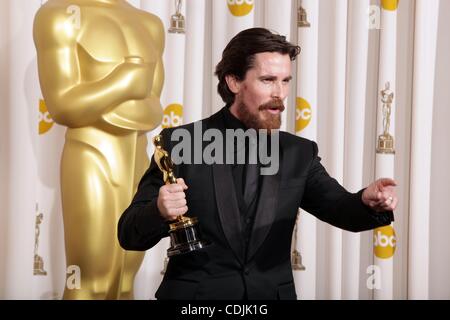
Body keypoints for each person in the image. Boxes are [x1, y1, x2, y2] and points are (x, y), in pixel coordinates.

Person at [118, 28, 397, 300]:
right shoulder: (180, 143)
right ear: (234, 82)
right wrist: (158, 211)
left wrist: (367, 202)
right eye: (268, 80)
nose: (280, 93)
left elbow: (339, 208)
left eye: (285, 81)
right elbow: (129, 234)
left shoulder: (298, 153)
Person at [33, 0, 164, 299]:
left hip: (137, 157)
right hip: (90, 152)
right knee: (91, 280)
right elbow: (64, 106)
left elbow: (153, 110)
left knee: (126, 279)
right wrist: (125, 81)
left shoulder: (150, 24)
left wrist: (108, 98)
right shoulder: (59, 16)